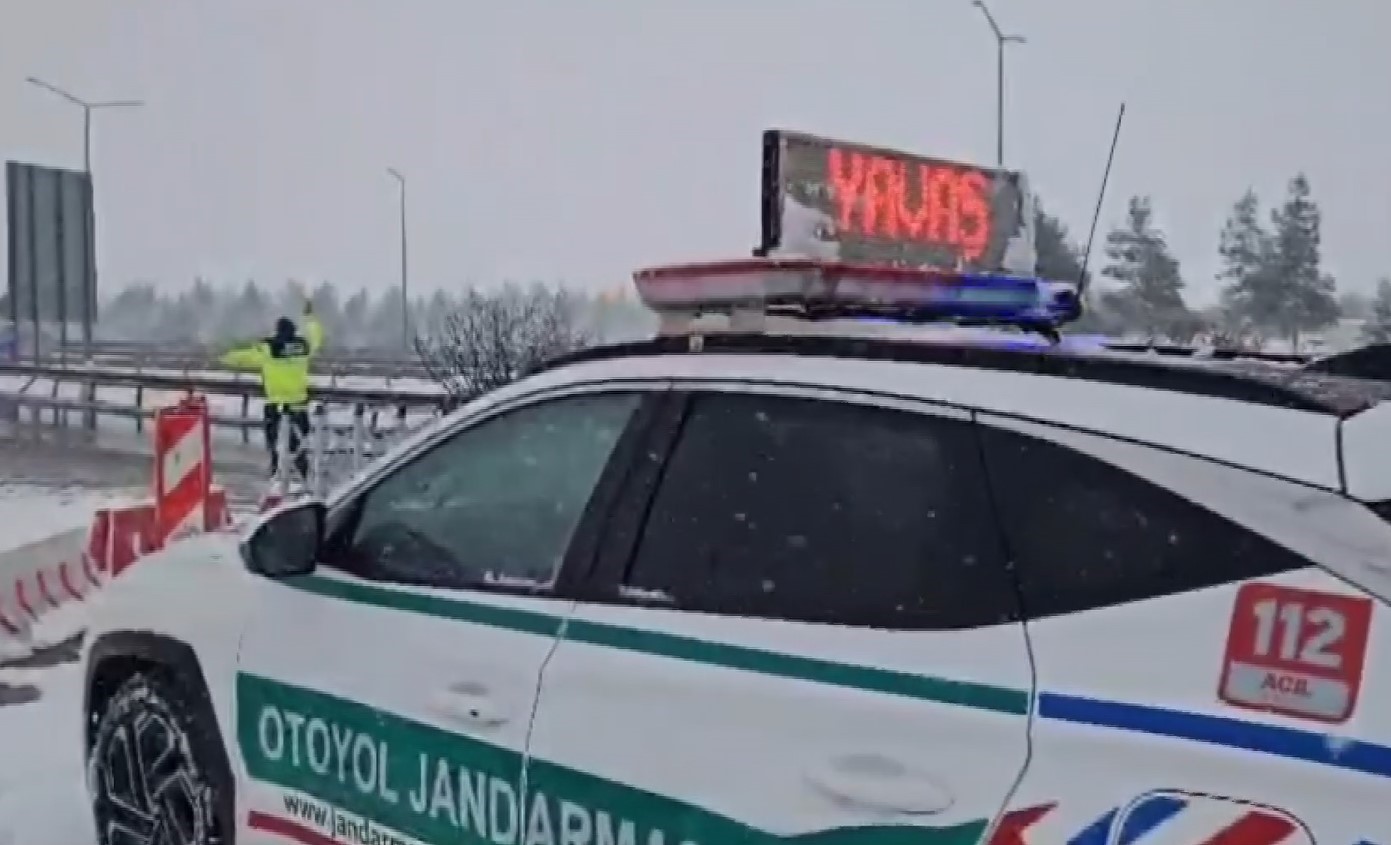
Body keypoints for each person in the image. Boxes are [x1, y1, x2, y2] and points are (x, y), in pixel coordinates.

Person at [219, 302, 324, 480]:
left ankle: (276, 473)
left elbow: (243, 358)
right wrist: (310, 317)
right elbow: (316, 336)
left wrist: (223, 355)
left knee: (274, 443)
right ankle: (305, 477)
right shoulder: (303, 346)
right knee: (298, 445)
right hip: (298, 404)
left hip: (276, 405)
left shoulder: (269, 348)